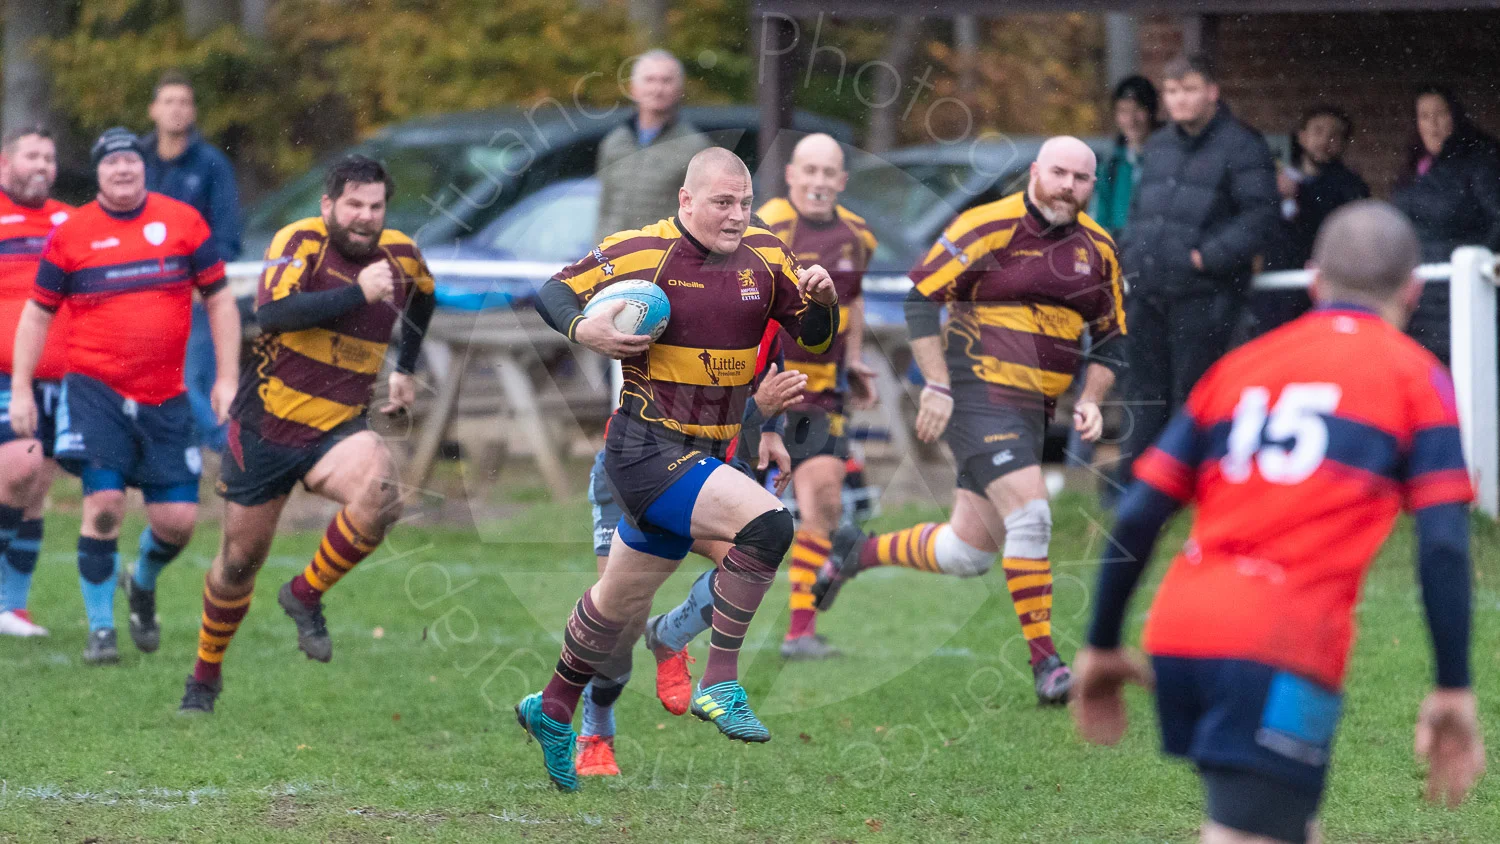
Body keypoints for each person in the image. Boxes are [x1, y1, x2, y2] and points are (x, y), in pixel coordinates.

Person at [1074, 201, 1485, 844]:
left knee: (1281, 826)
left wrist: (1100, 643)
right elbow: (1442, 547)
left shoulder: (1240, 368)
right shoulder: (1418, 379)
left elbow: (1137, 512)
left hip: (1183, 631)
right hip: (1281, 645)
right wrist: (1453, 685)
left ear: (1315, 280)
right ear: (1414, 288)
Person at [517, 147, 838, 791]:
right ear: (686, 201)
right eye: (722, 202)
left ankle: (552, 706)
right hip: (645, 449)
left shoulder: (767, 256)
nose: (736, 215)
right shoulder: (642, 250)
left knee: (616, 609)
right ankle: (719, 681)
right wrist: (586, 330)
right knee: (770, 526)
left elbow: (816, 336)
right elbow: (552, 292)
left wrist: (823, 303)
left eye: (744, 202)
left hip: (704, 451)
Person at [814, 137, 1125, 706]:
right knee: (1031, 514)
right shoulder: (987, 226)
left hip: (1036, 411)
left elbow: (1109, 338)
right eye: (1058, 173)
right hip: (977, 397)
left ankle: (855, 550)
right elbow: (919, 299)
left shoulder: (1098, 249)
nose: (1068, 187)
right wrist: (936, 382)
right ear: (1035, 172)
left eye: (1081, 179)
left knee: (967, 552)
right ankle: (1046, 665)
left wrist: (1094, 397)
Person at [176, 155, 435, 714]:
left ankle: (304, 593)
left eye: (375, 206)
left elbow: (424, 296)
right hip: (266, 427)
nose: (365, 217)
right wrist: (357, 293)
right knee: (238, 563)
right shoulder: (300, 240)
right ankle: (205, 675)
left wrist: (405, 369)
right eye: (354, 205)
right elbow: (271, 315)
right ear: (328, 206)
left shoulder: (401, 253)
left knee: (383, 492)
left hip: (338, 429)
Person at [8, 127, 240, 664]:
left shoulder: (182, 221)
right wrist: (21, 387)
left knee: (177, 523)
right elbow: (37, 314)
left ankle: (143, 581)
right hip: (96, 392)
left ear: (143, 168)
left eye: (131, 161)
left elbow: (221, 300)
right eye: (112, 163)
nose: (123, 170)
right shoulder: (72, 234)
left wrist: (227, 378)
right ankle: (101, 631)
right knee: (106, 504)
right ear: (98, 173)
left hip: (166, 396)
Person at [573, 321, 804, 777]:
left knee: (748, 561)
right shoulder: (674, 299)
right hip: (638, 466)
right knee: (619, 617)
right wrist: (759, 410)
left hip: (711, 470)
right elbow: (686, 421)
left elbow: (767, 377)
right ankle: (595, 728)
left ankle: (671, 634)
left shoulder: (764, 297)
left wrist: (771, 429)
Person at [1117, 54, 1278, 488]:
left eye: (1188, 89)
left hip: (1206, 295)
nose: (1179, 99)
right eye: (1171, 91)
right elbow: (1139, 212)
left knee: (1193, 397)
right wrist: (1131, 254)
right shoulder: (1159, 146)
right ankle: (1134, 491)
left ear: (1212, 92)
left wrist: (1205, 258)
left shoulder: (1243, 146)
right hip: (1147, 290)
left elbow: (1261, 218)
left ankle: (1188, 490)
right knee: (1142, 395)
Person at [752, 133, 878, 660]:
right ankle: (693, 621)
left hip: (821, 396)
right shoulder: (764, 226)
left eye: (830, 172)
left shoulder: (858, 236)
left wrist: (853, 361)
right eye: (810, 171)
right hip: (763, 396)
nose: (820, 181)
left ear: (842, 181)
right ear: (791, 175)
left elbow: (854, 299)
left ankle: (799, 632)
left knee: (823, 502)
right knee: (729, 525)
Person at [141, 70, 243, 454]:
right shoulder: (136, 160)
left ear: (194, 111)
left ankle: (228, 450)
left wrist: (208, 284)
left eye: (184, 102)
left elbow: (227, 234)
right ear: (154, 109)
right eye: (168, 101)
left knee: (191, 377)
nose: (176, 110)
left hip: (196, 295)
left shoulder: (212, 165)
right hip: (141, 291)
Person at [0, 127, 72, 637]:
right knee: (19, 466)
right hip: (5, 373)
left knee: (36, 487)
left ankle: (12, 607)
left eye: (49, 157)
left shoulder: (69, 221)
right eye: (32, 155)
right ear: (6, 161)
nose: (42, 164)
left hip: (60, 376)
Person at [1391, 85, 1500, 366]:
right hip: (1417, 295)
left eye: (1440, 114)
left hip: (1458, 290)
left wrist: (1474, 264)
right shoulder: (1415, 165)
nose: (1433, 124)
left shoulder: (1480, 159)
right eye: (1424, 116)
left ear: (1456, 117)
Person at [1257, 106, 1370, 334]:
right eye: (1317, 131)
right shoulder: (1279, 180)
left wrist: (1299, 193)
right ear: (1302, 137)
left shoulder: (1351, 186)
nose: (1324, 141)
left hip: (1326, 289)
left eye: (1334, 135)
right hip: (1278, 292)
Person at [594, 50, 712, 243]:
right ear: (633, 88)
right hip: (614, 261)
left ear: (680, 89)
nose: (657, 88)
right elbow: (605, 207)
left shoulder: (696, 148)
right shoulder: (614, 143)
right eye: (649, 80)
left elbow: (704, 215)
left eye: (666, 80)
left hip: (664, 261)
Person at [1092, 75, 1161, 236]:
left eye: (1138, 110)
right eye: (1123, 111)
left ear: (1151, 111)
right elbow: (1099, 217)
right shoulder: (1110, 162)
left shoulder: (1168, 157)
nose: (1131, 120)